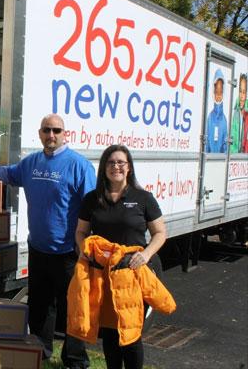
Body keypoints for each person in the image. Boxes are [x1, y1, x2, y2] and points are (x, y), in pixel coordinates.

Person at [0, 114, 94, 369]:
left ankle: (75, 360)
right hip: (39, 248)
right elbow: (7, 173)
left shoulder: (79, 166)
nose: (51, 135)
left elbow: (92, 207)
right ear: (40, 133)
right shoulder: (31, 163)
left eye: (56, 130)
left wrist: (87, 245)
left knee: (74, 308)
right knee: (41, 305)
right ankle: (40, 351)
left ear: (65, 134)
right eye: (46, 130)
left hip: (68, 252)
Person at [74, 144, 167, 369]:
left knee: (131, 331)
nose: (116, 166)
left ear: (129, 168)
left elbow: (160, 233)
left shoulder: (143, 198)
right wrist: (84, 251)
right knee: (109, 332)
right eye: (111, 162)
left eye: (121, 163)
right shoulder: (92, 199)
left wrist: (145, 255)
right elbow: (80, 232)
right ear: (104, 167)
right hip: (103, 273)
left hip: (134, 273)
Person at [206, 68, 228, 153]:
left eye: (220, 92)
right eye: (216, 92)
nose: (218, 96)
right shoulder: (210, 118)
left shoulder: (224, 120)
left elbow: (225, 145)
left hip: (220, 163)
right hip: (208, 162)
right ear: (213, 92)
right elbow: (206, 143)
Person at [230, 73, 247, 153]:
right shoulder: (235, 111)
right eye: (240, 91)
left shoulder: (246, 113)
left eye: (244, 92)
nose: (242, 95)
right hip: (234, 156)